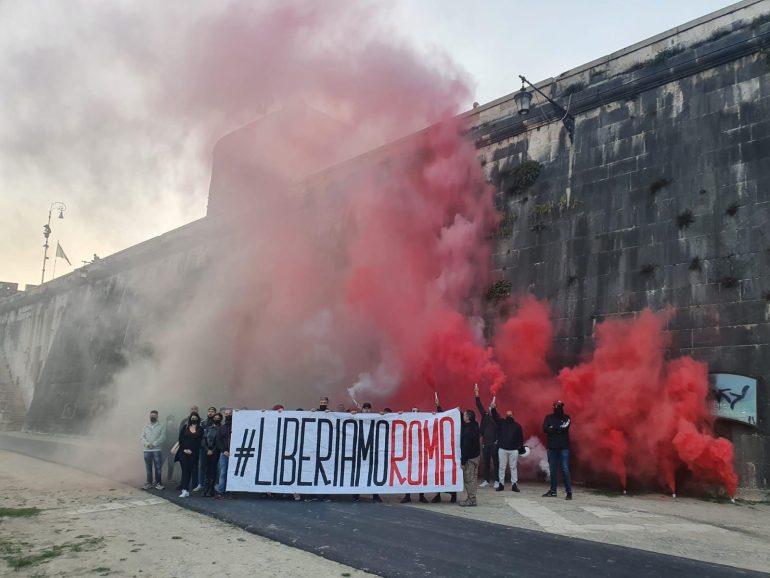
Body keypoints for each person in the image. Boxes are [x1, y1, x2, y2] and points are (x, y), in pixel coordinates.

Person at [491, 399, 524, 493]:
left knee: (513, 467)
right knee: (502, 467)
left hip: (513, 450)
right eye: (507, 415)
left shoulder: (518, 426)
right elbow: (495, 417)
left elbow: (520, 438)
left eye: (510, 415)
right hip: (502, 449)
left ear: (513, 415)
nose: (509, 416)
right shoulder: (502, 423)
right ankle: (501, 484)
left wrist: (519, 448)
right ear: (506, 416)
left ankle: (514, 485)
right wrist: (493, 409)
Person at [543, 400, 573, 500]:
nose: (558, 407)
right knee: (552, 470)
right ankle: (553, 491)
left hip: (564, 447)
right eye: (557, 406)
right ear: (553, 407)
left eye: (560, 406)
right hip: (552, 447)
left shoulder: (567, 417)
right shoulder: (548, 417)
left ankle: (569, 492)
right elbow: (545, 429)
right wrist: (558, 429)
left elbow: (565, 428)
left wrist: (553, 428)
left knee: (565, 469)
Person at [353, 402, 382, 503]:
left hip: (372, 449)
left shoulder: (376, 417)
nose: (367, 410)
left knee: (373, 472)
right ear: (362, 409)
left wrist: (385, 415)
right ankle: (356, 494)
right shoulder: (356, 416)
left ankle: (375, 495)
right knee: (358, 472)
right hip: (360, 449)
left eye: (368, 408)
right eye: (365, 408)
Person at [474, 384, 499, 489]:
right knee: (486, 462)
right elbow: (479, 405)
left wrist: (497, 441)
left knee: (496, 462)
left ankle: (497, 481)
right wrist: (476, 394)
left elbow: (500, 429)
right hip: (485, 443)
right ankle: (486, 480)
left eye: (492, 407)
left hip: (494, 443)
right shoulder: (485, 416)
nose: (489, 408)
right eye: (489, 406)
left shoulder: (497, 418)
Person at [177, 411, 203, 498]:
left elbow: (200, 441)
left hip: (194, 453)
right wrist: (185, 449)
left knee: (190, 471)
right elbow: (180, 439)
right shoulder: (185, 427)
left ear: (198, 419)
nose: (194, 419)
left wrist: (192, 450)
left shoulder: (200, 429)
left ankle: (186, 489)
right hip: (183, 452)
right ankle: (184, 490)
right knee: (185, 471)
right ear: (190, 419)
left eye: (195, 418)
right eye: (192, 418)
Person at [459, 409, 481, 507]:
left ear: (468, 418)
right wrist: (459, 412)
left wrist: (463, 462)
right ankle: (471, 498)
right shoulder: (475, 425)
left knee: (469, 479)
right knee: (473, 478)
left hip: (470, 459)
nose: (463, 416)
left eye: (464, 415)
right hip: (476, 456)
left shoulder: (468, 432)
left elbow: (466, 448)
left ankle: (472, 500)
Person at [193, 406, 217, 492]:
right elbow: (200, 437)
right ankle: (200, 484)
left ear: (215, 413)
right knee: (202, 466)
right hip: (203, 448)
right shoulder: (202, 423)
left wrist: (213, 449)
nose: (210, 413)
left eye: (212, 411)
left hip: (214, 449)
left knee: (214, 467)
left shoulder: (217, 423)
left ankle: (213, 484)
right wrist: (206, 448)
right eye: (209, 411)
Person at [141, 410, 165, 490]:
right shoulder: (145, 426)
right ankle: (149, 483)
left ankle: (159, 483)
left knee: (158, 467)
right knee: (148, 468)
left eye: (154, 415)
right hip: (147, 450)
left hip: (157, 450)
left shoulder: (161, 425)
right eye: (151, 415)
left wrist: (154, 444)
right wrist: (147, 444)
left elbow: (163, 437)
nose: (152, 417)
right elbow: (142, 437)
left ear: (157, 416)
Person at [202, 412, 222, 497]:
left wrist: (213, 451)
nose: (216, 419)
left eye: (218, 418)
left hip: (216, 452)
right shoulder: (208, 428)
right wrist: (207, 450)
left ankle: (211, 490)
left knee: (214, 471)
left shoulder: (221, 429)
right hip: (207, 452)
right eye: (215, 417)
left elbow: (219, 442)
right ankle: (205, 489)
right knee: (207, 470)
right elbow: (203, 440)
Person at [216, 408, 233, 499]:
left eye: (230, 413)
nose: (228, 415)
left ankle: (232, 491)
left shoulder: (238, 426)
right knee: (223, 472)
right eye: (226, 413)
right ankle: (221, 491)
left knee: (233, 473)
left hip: (235, 454)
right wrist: (224, 451)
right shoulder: (221, 428)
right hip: (224, 454)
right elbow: (218, 441)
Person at [162, 414, 177, 483]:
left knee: (171, 464)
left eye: (172, 420)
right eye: (169, 420)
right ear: (167, 421)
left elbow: (178, 438)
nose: (171, 422)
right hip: (164, 448)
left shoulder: (175, 429)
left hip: (172, 449)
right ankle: (157, 478)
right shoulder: (163, 428)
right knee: (160, 463)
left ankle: (169, 478)